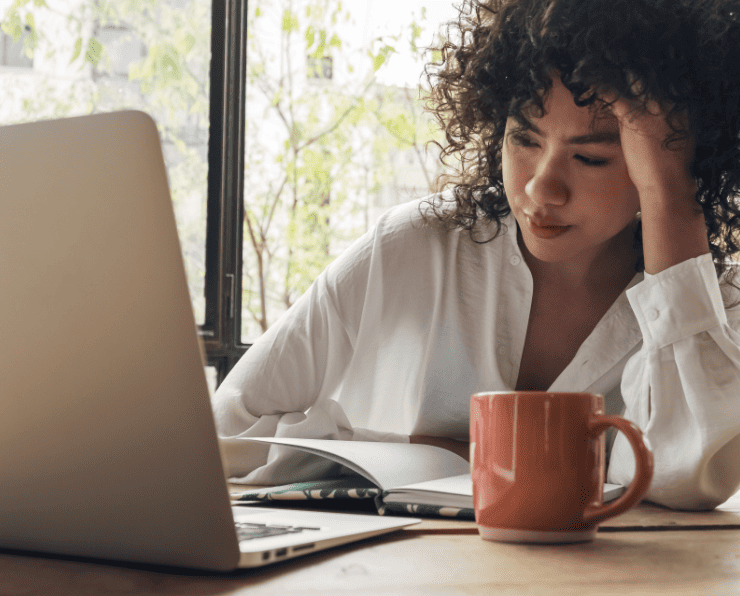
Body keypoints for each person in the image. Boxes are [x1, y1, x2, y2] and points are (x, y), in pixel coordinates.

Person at [213, 0, 740, 510]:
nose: (541, 188)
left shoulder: (715, 307)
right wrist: (418, 457)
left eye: (590, 158)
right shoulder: (414, 248)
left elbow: (686, 480)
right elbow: (226, 429)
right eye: (523, 138)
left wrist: (672, 199)